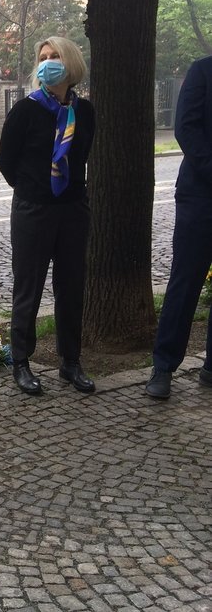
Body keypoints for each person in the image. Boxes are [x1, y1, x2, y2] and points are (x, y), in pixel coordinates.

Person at [0, 36, 96, 396]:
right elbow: (5, 162)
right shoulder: (25, 110)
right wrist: (33, 190)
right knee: (29, 288)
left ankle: (71, 362)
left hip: (72, 211)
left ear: (70, 65)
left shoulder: (83, 112)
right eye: (43, 57)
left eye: (55, 56)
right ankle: (21, 362)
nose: (48, 62)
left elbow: (81, 156)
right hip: (33, 210)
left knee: (71, 288)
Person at [146, 56, 212, 399]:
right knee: (185, 282)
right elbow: (186, 128)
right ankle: (164, 366)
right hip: (201, 196)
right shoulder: (203, 71)